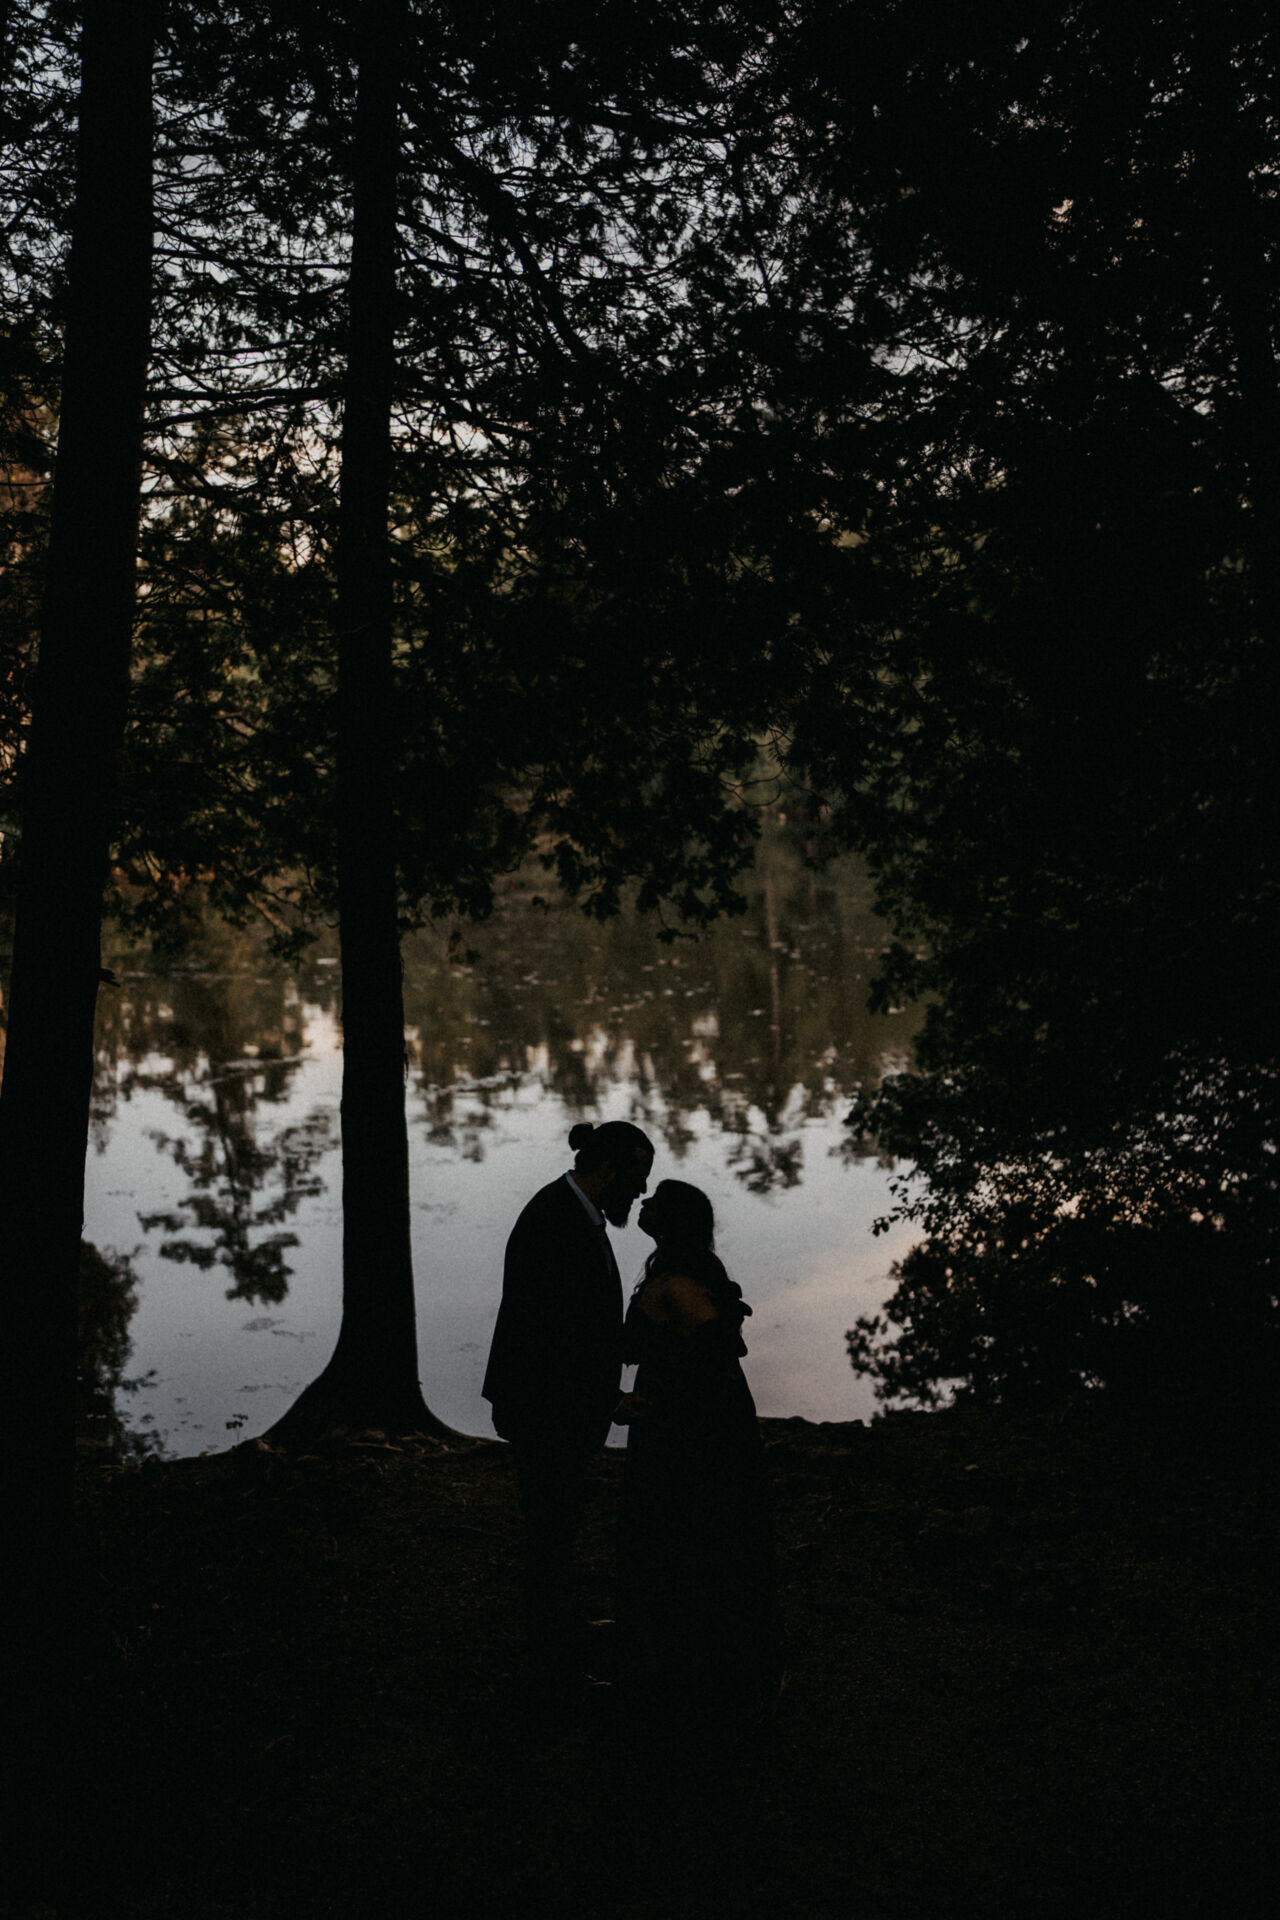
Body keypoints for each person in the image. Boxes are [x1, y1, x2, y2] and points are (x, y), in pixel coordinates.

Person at [483, 1118, 654, 1698]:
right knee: (550, 1530)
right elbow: (554, 1337)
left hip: (555, 1406)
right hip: (545, 1409)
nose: (641, 1191)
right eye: (637, 1177)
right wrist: (610, 1399)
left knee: (558, 1526)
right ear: (607, 1168)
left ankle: (562, 1633)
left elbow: (580, 1322)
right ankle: (550, 1668)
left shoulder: (572, 1211)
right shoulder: (556, 1222)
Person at [615, 1180, 781, 1730]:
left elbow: (715, 1356)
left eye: (655, 1201)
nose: (644, 1203)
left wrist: (663, 1406)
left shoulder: (679, 1286)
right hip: (683, 1427)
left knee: (682, 1533)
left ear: (672, 1221)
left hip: (686, 1435)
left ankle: (689, 1672)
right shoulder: (678, 1274)